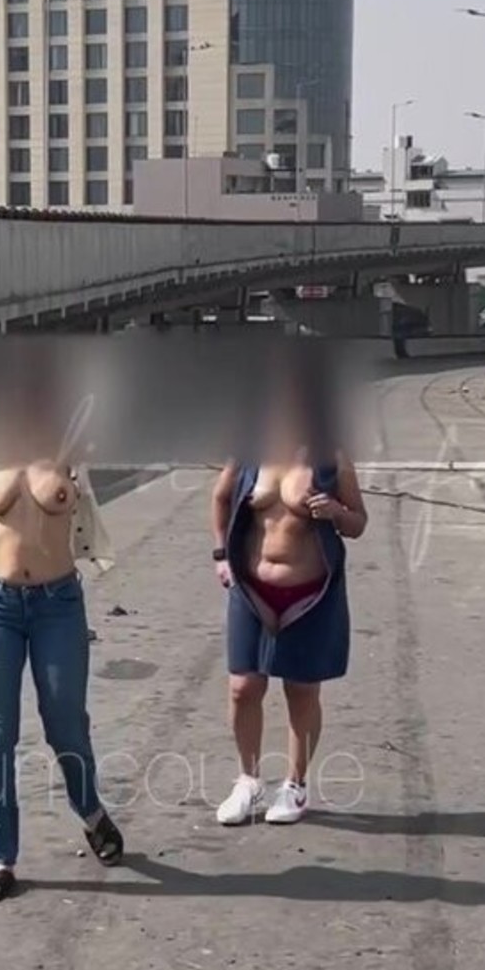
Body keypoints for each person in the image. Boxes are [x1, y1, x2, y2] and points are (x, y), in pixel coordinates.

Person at [210, 346, 367, 826]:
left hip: (309, 595)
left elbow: (358, 522)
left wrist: (335, 512)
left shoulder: (330, 457)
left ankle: (295, 786)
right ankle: (248, 781)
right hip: (252, 590)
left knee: (300, 690)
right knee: (243, 687)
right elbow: (221, 497)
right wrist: (221, 556)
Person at [0, 449, 124, 902]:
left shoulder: (70, 448)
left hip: (57, 605)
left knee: (65, 724)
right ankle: (1, 858)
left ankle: (91, 811)